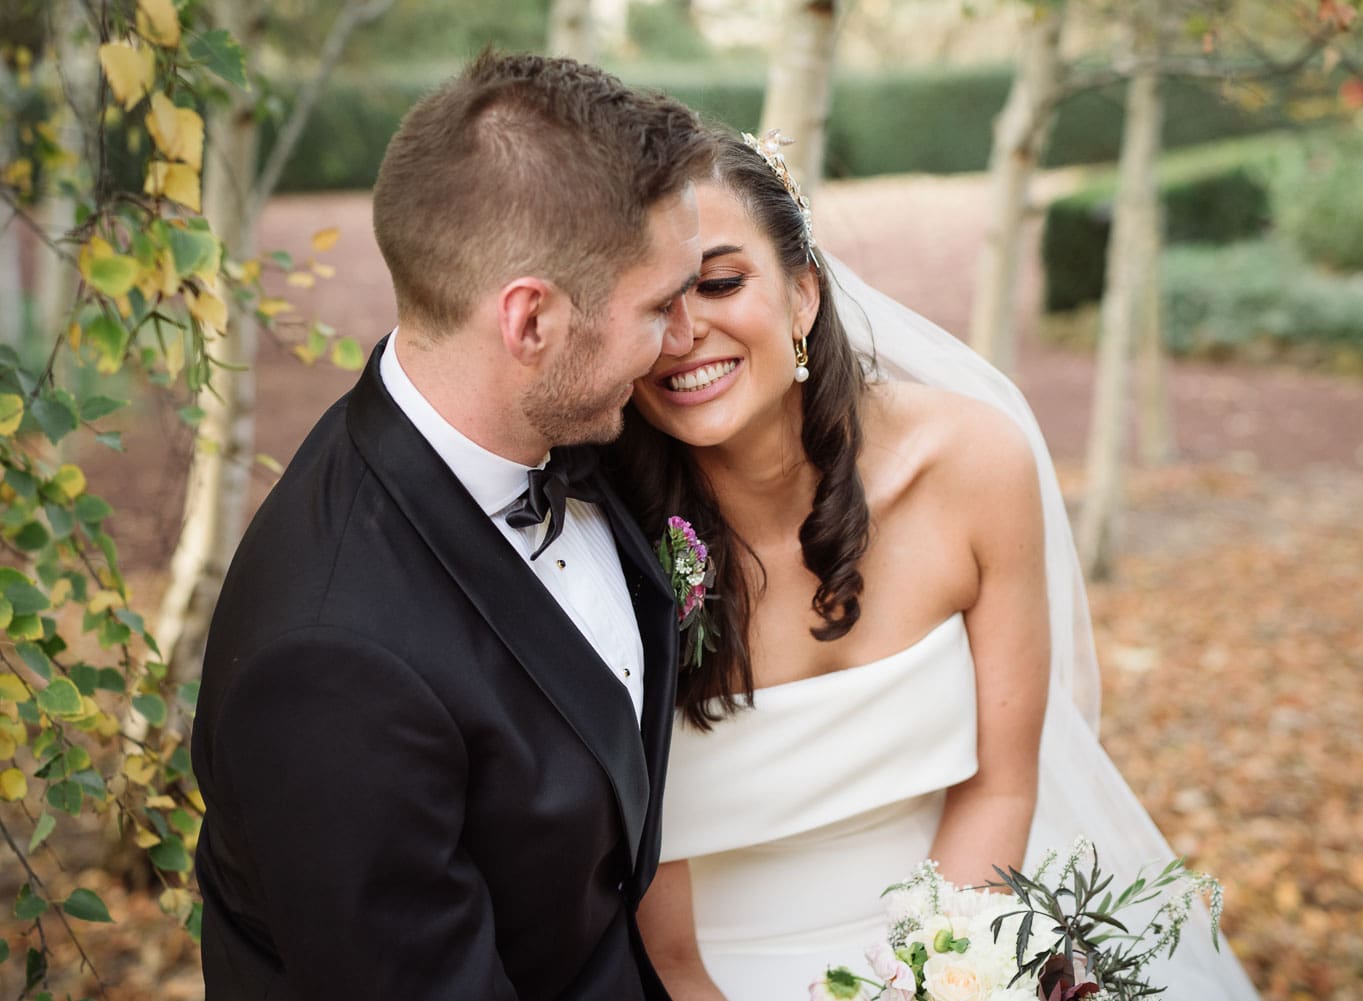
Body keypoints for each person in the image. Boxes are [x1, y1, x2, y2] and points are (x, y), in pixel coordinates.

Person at [606, 132, 1262, 1000]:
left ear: (803, 294)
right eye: (654, 303)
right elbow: (663, 942)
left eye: (722, 283)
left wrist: (933, 979)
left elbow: (1000, 785)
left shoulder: (973, 462)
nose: (685, 335)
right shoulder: (601, 534)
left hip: (958, 942)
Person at [190, 54, 714, 1000]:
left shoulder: (575, 432)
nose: (682, 339)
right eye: (657, 307)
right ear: (531, 322)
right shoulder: (329, 667)